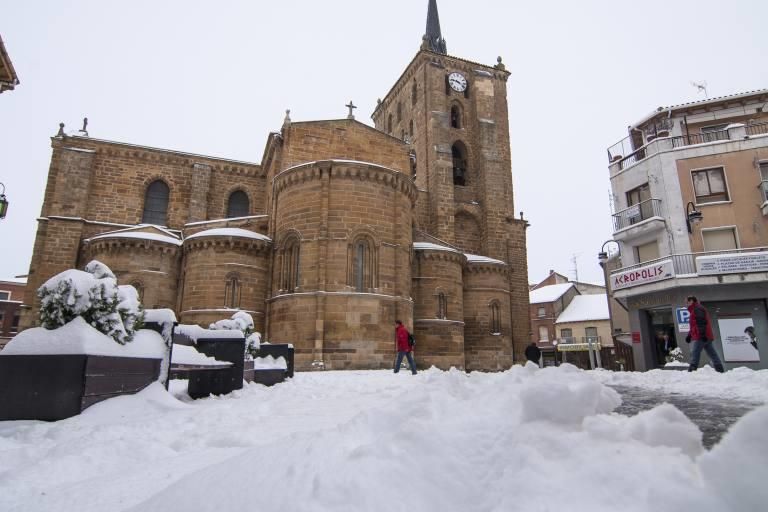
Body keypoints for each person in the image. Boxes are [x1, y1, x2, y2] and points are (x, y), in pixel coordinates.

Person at [685, 296, 724, 373]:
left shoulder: (697, 309)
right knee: (712, 353)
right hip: (704, 335)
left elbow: (701, 322)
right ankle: (720, 369)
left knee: (695, 352)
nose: (686, 304)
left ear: (691, 301)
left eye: (687, 302)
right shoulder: (695, 309)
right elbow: (694, 325)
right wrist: (689, 335)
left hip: (701, 336)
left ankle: (692, 370)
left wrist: (702, 334)